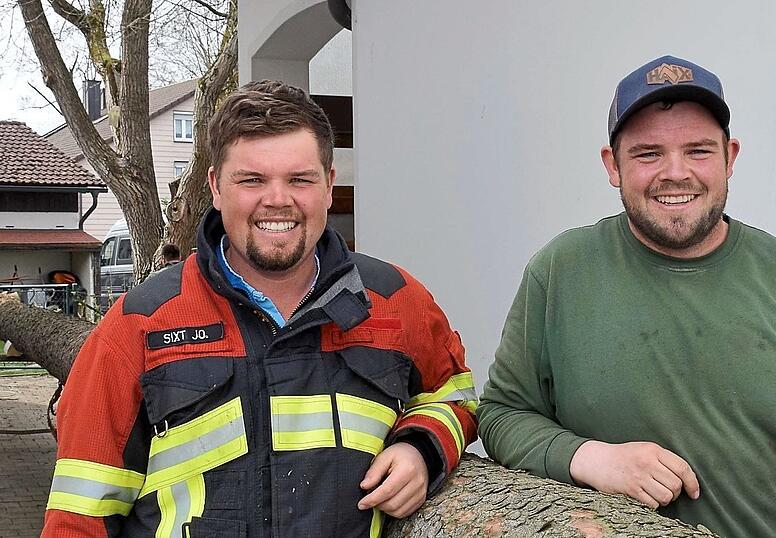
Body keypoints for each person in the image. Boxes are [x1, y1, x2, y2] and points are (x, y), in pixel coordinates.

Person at [476, 55, 776, 537]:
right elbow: (502, 414)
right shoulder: (560, 273)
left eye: (698, 150)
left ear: (730, 158)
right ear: (612, 165)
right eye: (648, 154)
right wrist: (592, 458)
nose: (675, 173)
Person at [43, 80, 478, 537]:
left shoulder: (394, 300)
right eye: (252, 180)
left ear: (329, 185)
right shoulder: (141, 325)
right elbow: (78, 516)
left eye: (299, 179)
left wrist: (421, 447)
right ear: (215, 187)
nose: (277, 200)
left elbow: (456, 397)